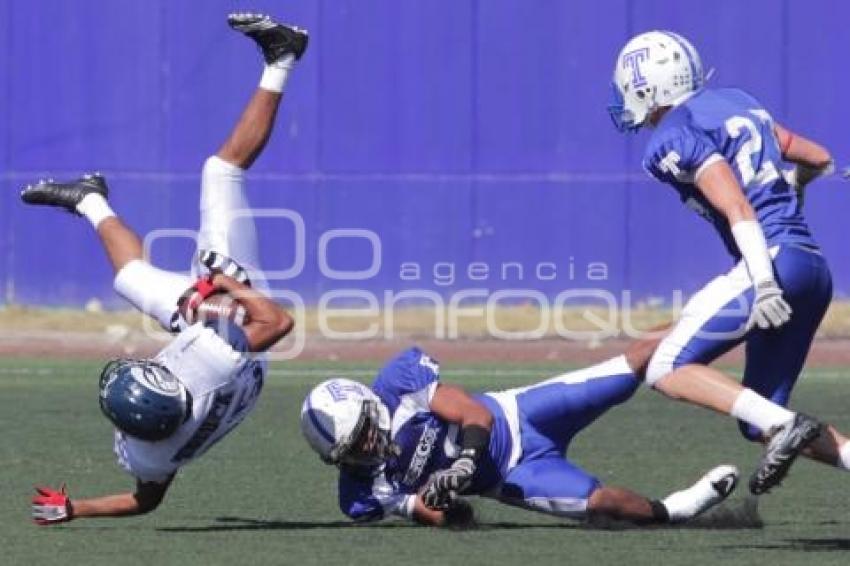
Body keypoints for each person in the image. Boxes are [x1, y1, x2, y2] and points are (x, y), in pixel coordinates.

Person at [24, 12, 305, 525]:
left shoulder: (152, 455)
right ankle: (282, 57)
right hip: (244, 323)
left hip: (220, 345)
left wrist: (75, 509)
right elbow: (277, 323)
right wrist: (230, 284)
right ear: (169, 380)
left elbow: (145, 500)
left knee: (130, 279)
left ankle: (89, 199)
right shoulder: (210, 361)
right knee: (221, 171)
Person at [608, 31, 845, 494]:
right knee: (760, 418)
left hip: (772, 263)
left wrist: (765, 283)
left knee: (667, 366)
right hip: (812, 267)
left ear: (648, 87)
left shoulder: (674, 135)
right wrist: (795, 185)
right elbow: (816, 156)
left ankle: (789, 425)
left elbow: (737, 205)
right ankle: (796, 430)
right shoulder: (736, 101)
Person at [300, 342, 740, 528]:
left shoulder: (397, 384)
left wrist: (464, 461)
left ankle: (716, 328)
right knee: (601, 504)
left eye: (360, 434)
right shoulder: (361, 491)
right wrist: (442, 501)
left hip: (519, 413)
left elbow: (474, 412)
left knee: (630, 365)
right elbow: (448, 517)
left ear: (369, 406)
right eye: (349, 450)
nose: (363, 449)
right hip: (513, 476)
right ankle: (675, 510)